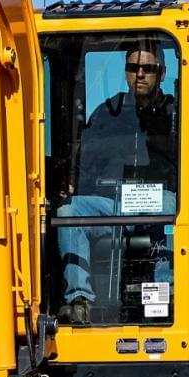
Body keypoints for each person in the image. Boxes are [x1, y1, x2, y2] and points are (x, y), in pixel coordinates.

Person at [57, 40, 177, 324]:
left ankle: (166, 295)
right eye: (133, 67)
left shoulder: (176, 114)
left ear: (162, 73)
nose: (140, 74)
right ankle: (79, 299)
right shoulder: (107, 112)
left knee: (173, 208)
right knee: (69, 211)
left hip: (156, 199)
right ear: (126, 73)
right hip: (113, 203)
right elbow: (84, 158)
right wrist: (72, 185)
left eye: (148, 68)